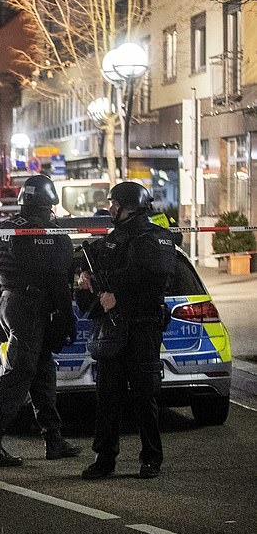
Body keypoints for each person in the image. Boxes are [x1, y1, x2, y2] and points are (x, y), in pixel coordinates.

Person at [0, 174, 80, 466]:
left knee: (42, 372)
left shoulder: (7, 228)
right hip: (32, 308)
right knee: (17, 375)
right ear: (50, 201)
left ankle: (54, 438)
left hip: (12, 303)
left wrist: (1, 316)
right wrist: (67, 316)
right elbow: (59, 280)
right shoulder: (49, 233)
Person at [78, 182, 176, 480]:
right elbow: (100, 270)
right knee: (108, 395)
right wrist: (88, 279)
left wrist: (118, 295)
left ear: (124, 206)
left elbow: (155, 282)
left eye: (113, 204)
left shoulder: (153, 238)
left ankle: (151, 459)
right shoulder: (115, 238)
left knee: (144, 396)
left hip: (142, 326)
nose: (109, 209)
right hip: (116, 327)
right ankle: (105, 458)